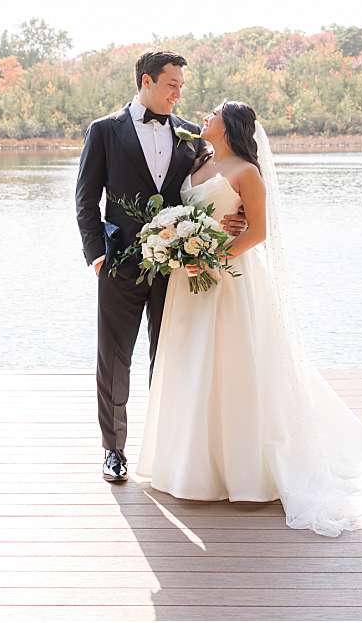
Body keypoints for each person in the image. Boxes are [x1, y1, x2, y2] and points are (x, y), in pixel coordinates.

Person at [136, 100, 362, 536]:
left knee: (233, 365)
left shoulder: (247, 172)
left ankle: (243, 472)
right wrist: (175, 244)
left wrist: (210, 258)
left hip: (229, 279)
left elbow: (258, 232)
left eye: (214, 113)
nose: (205, 117)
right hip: (187, 283)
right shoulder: (199, 160)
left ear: (229, 125)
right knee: (192, 365)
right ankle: (190, 465)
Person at [74, 51, 247, 484]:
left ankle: (165, 450)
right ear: (146, 82)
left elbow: (223, 180)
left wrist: (237, 217)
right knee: (113, 359)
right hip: (118, 264)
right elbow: (86, 199)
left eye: (182, 86)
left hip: (177, 268)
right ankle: (113, 451)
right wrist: (97, 255)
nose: (178, 94)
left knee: (169, 357)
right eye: (172, 85)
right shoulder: (103, 131)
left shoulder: (192, 137)